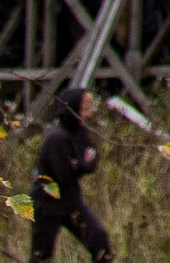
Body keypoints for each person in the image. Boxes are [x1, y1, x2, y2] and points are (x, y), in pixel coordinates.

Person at [31, 84, 111, 263]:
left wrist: (79, 164)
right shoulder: (57, 138)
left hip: (71, 201)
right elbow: (66, 173)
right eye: (84, 109)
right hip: (48, 205)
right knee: (41, 255)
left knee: (99, 240)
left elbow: (91, 159)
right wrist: (81, 164)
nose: (88, 114)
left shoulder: (79, 132)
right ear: (72, 108)